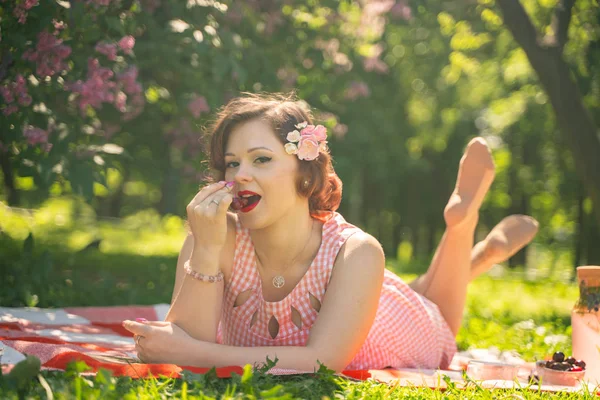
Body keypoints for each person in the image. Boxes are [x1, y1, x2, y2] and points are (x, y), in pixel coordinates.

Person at [122, 93, 538, 372]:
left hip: (395, 322)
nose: (240, 176)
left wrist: (191, 353)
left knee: (437, 314)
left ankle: (462, 229)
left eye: (261, 159)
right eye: (232, 164)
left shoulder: (356, 253)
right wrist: (208, 249)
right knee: (425, 287)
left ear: (305, 173)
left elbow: (322, 361)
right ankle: (482, 257)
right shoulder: (209, 237)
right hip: (356, 295)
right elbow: (183, 342)